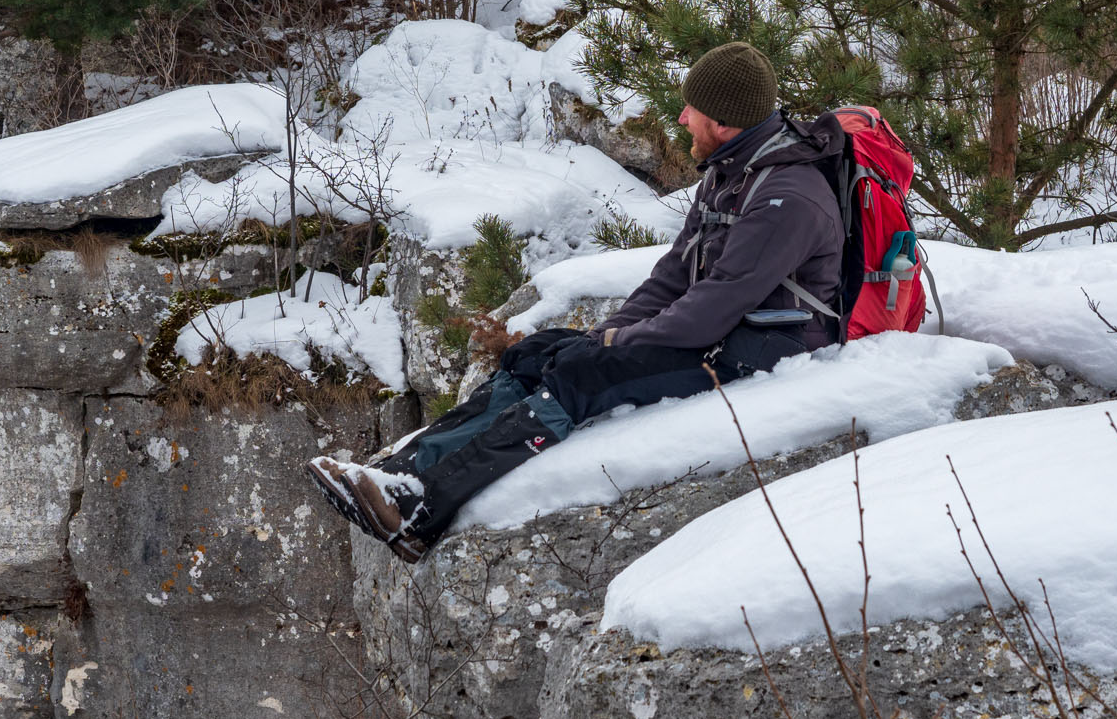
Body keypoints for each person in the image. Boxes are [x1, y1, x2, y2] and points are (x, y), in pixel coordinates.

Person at [306, 40, 850, 563]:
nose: (682, 118)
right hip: (724, 335)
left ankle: (422, 507)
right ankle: (399, 475)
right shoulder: (733, 173)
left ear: (724, 123)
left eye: (692, 109)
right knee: (535, 354)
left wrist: (616, 344)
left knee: (582, 375)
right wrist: (604, 333)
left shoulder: (787, 197)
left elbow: (714, 303)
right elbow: (672, 277)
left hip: (761, 354)